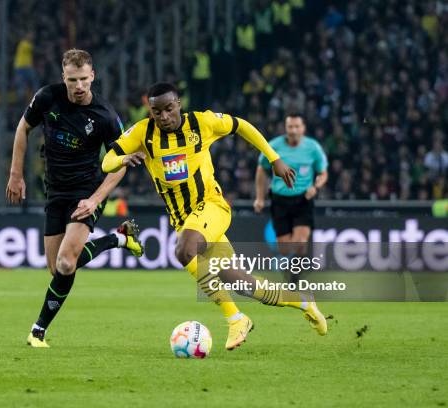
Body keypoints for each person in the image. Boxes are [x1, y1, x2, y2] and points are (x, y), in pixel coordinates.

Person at [102, 82, 327, 350]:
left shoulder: (201, 123)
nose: (163, 117)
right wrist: (123, 160)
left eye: (168, 109)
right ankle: (303, 301)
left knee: (184, 251)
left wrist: (274, 159)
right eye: (156, 111)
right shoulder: (142, 132)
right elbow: (107, 161)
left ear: (179, 104)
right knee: (245, 285)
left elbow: (241, 125)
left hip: (212, 206)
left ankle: (236, 319)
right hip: (184, 221)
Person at [6, 49, 144, 348]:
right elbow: (23, 127)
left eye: (84, 79)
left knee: (67, 264)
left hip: (86, 191)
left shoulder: (105, 116)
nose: (79, 86)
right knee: (56, 269)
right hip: (55, 191)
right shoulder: (46, 97)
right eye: (72, 80)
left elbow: (118, 165)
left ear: (92, 76)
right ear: (63, 77)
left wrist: (95, 200)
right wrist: (16, 173)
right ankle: (118, 239)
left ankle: (38, 331)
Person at [254, 113, 328, 281]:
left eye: (297, 127)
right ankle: (293, 266)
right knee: (285, 249)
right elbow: (261, 169)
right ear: (285, 128)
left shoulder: (313, 148)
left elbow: (323, 173)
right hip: (279, 200)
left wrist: (316, 187)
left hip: (303, 199)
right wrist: (259, 198)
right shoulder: (273, 146)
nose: (293, 130)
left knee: (301, 242)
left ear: (303, 128)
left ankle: (294, 276)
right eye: (290, 127)